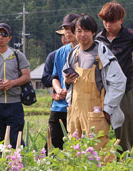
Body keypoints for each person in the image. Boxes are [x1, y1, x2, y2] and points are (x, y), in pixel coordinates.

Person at [63, 15, 126, 151]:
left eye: (86, 31)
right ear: (74, 33)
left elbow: (119, 82)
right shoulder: (73, 54)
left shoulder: (103, 54)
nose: (82, 35)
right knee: (75, 149)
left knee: (98, 150)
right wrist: (67, 81)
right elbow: (67, 80)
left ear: (93, 32)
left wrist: (108, 108)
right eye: (79, 31)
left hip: (95, 111)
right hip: (75, 110)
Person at [96, 1, 133, 151]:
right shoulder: (98, 39)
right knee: (99, 132)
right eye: (105, 21)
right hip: (102, 93)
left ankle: (125, 164)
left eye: (112, 21)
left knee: (125, 133)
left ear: (121, 20)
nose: (108, 25)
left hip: (125, 92)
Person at [49, 13, 80, 150]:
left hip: (80, 104)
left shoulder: (90, 51)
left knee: (79, 145)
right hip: (60, 105)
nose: (68, 32)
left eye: (71, 28)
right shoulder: (61, 52)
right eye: (65, 28)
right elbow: (55, 77)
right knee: (54, 145)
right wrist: (58, 89)